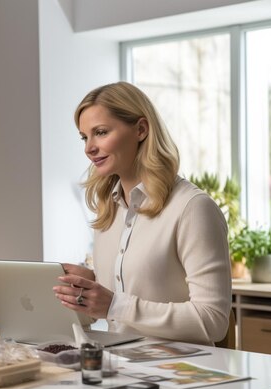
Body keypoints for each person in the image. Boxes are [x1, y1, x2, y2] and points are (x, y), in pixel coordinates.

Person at [52, 81, 231, 345]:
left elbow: (212, 321)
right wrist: (90, 284)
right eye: (84, 136)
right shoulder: (109, 210)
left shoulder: (192, 208)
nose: (88, 148)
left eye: (100, 132)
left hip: (181, 375)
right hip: (121, 368)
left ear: (141, 129)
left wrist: (115, 305)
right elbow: (125, 298)